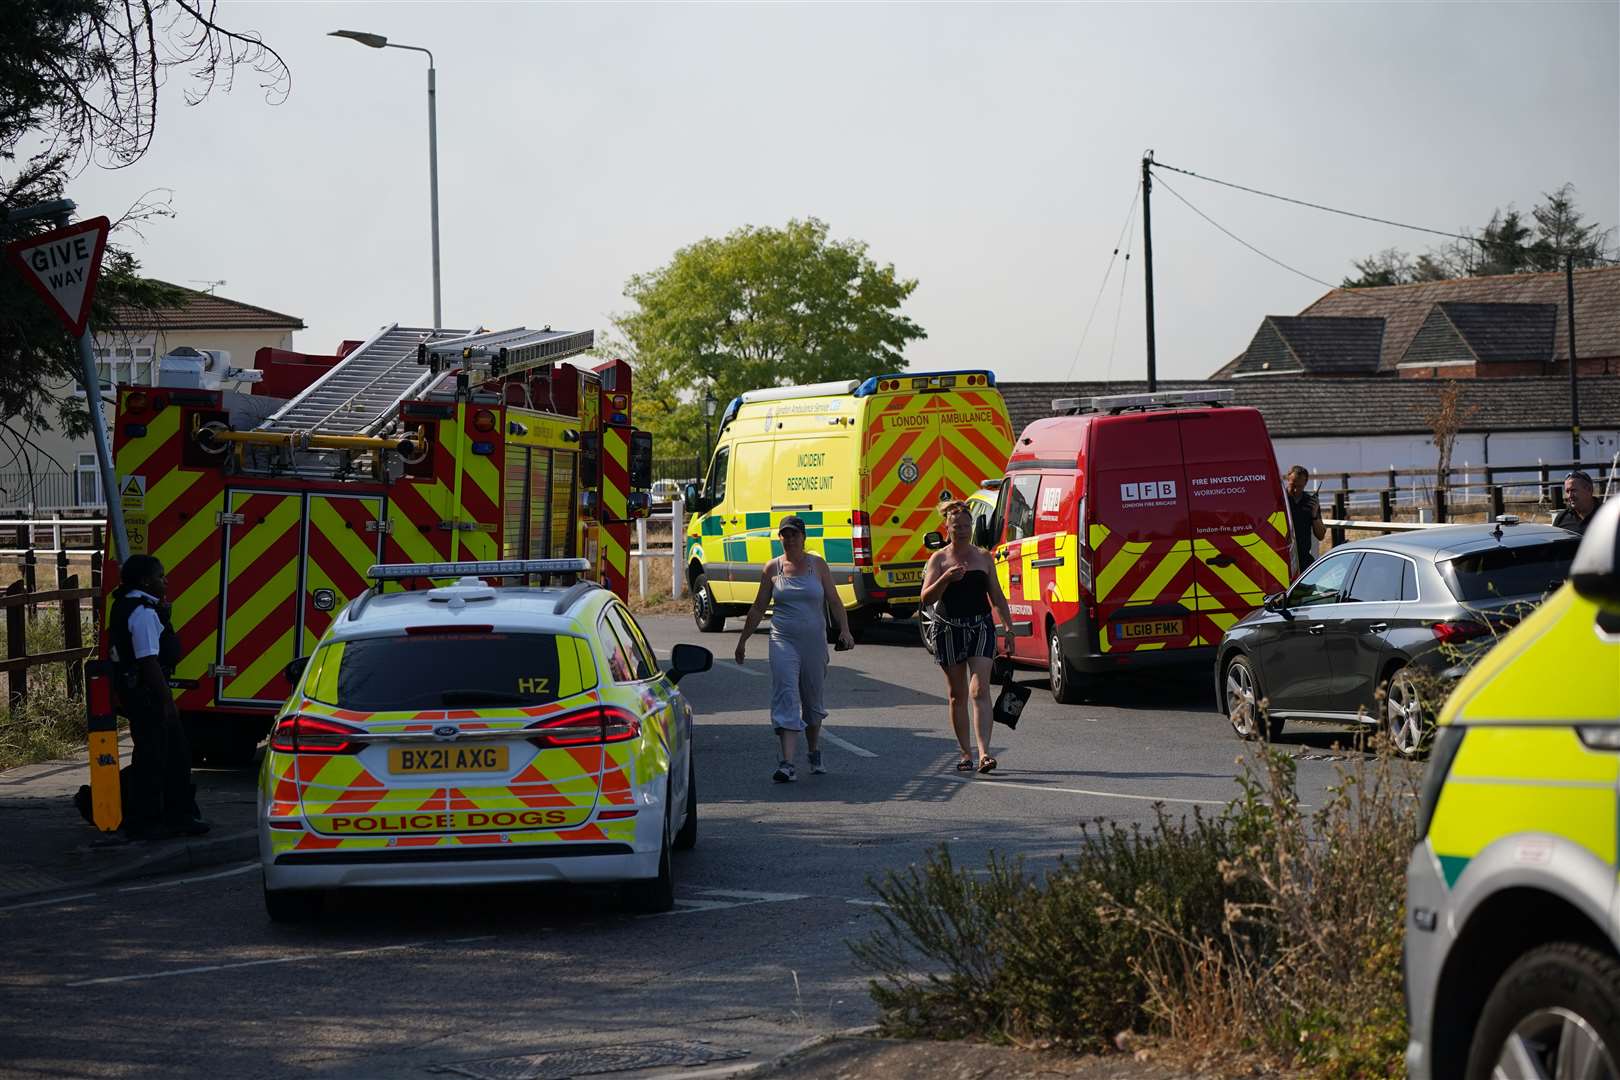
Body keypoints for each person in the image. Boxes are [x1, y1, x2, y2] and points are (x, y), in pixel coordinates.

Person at [734, 516, 854, 783]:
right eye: (784, 535)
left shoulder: (817, 565)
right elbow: (757, 608)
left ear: (803, 537)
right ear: (779, 539)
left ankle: (813, 751)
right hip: (782, 640)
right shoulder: (772, 568)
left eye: (794, 535)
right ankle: (787, 763)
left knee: (812, 700)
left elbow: (834, 601)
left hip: (813, 641)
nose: (789, 540)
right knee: (785, 694)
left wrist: (844, 630)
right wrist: (743, 641)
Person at [110, 554, 208, 839]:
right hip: (148, 696)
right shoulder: (143, 612)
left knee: (156, 756)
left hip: (137, 694)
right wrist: (167, 703)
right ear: (145, 581)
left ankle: (160, 818)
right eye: (160, 576)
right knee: (167, 757)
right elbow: (149, 661)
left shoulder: (127, 604)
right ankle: (161, 819)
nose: (165, 580)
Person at [920, 500, 1016, 774]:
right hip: (949, 628)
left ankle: (985, 753)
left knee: (979, 689)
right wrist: (946, 579)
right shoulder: (939, 559)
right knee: (957, 694)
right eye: (956, 527)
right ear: (946, 528)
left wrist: (1007, 627)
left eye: (966, 526)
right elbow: (926, 598)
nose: (961, 531)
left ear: (972, 527)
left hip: (980, 626)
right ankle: (965, 753)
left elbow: (996, 595)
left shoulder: (984, 557)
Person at [1285, 465, 1327, 571]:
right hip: (1282, 559)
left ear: (1305, 483)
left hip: (1304, 560)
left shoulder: (1310, 502)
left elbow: (1321, 535)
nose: (1295, 489)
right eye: (1293, 485)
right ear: (1287, 479)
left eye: (1300, 486)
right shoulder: (1280, 500)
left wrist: (1314, 515)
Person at [1553, 470, 1603, 536]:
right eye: (1567, 491)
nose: (1570, 496)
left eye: (1573, 490)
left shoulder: (1608, 515)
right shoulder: (1561, 518)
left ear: (1589, 489)